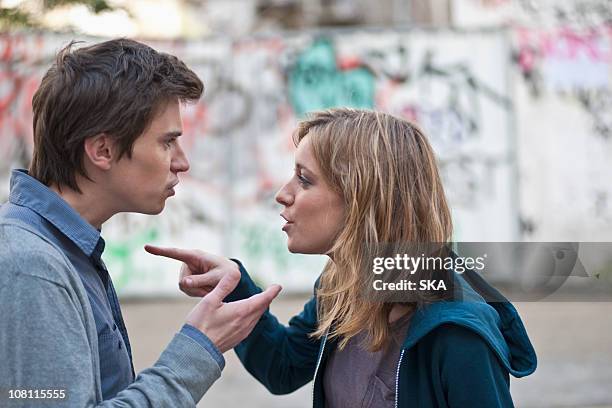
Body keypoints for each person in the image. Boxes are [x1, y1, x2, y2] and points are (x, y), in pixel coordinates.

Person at [147, 108, 538, 407]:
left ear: (363, 199)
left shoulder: (456, 334)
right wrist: (233, 285)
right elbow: (283, 367)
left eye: (304, 179)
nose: (283, 194)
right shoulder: (342, 286)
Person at [0, 38, 281, 407]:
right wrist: (198, 348)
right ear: (102, 150)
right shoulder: (32, 265)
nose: (182, 162)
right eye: (167, 143)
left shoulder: (58, 248)